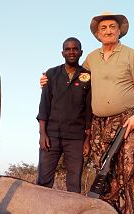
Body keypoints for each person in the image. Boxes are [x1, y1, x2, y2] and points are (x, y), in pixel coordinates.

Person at [41, 12, 134, 214]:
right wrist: (46, 80)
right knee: (105, 174)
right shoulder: (91, 59)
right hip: (99, 124)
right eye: (104, 28)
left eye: (113, 26)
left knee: (128, 172)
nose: (109, 30)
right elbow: (71, 78)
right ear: (98, 33)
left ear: (119, 30)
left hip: (127, 120)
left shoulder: (132, 55)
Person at [37, 37, 92, 193]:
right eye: (68, 49)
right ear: (62, 53)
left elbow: (88, 110)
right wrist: (43, 134)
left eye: (75, 49)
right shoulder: (52, 74)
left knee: (74, 184)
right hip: (52, 135)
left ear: (81, 52)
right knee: (43, 182)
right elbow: (44, 106)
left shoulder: (87, 76)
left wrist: (87, 139)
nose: (71, 52)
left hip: (76, 138)